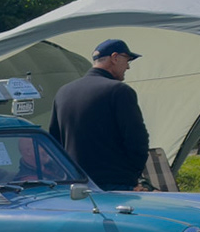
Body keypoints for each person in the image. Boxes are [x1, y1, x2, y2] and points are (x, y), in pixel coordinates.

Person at [49, 38, 150, 190]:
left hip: (75, 184)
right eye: (127, 60)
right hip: (114, 183)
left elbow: (55, 142)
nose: (128, 67)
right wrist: (132, 175)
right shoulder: (119, 91)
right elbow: (137, 139)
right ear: (115, 58)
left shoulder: (63, 92)